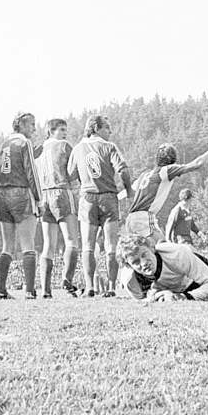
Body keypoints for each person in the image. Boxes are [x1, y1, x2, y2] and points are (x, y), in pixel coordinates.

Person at [68, 115, 133, 297]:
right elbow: (123, 170)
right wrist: (129, 190)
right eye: (107, 128)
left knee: (88, 245)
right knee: (110, 245)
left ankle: (90, 287)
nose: (110, 132)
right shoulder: (109, 147)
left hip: (87, 198)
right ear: (96, 128)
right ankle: (111, 288)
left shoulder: (78, 148)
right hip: (109, 198)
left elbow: (70, 175)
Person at [122, 140, 208, 244]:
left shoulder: (144, 175)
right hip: (144, 218)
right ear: (172, 159)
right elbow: (197, 164)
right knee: (163, 248)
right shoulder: (166, 170)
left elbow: (128, 194)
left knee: (142, 254)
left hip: (130, 219)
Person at [117, 234, 208, 301]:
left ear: (152, 248)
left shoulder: (176, 253)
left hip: (195, 274)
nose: (143, 263)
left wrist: (183, 297)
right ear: (129, 266)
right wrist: (155, 297)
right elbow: (143, 301)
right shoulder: (130, 279)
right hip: (176, 286)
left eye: (144, 255)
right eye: (136, 262)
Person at [0, 112, 44, 299]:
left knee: (7, 245)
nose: (34, 128)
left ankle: (0, 289)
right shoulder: (25, 143)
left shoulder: (5, 144)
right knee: (27, 244)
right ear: (21, 125)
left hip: (2, 195)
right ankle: (30, 290)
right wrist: (39, 199)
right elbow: (31, 172)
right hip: (21, 194)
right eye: (32, 124)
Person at [35, 117, 80, 298]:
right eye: (61, 129)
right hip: (61, 191)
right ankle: (67, 280)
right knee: (71, 240)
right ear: (51, 130)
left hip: (44, 195)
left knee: (48, 244)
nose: (64, 133)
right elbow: (71, 172)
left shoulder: (39, 149)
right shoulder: (64, 146)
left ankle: (46, 290)